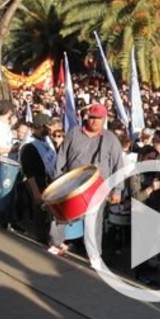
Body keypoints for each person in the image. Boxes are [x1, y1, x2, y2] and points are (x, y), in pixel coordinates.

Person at [46, 102, 124, 256]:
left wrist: (118, 190)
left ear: (104, 119)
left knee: (94, 222)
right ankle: (55, 244)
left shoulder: (111, 139)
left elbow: (118, 166)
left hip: (98, 187)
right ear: (87, 117)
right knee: (61, 215)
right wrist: (57, 182)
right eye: (92, 117)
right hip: (71, 184)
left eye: (98, 118)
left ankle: (94, 255)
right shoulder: (74, 133)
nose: (94, 121)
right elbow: (61, 157)